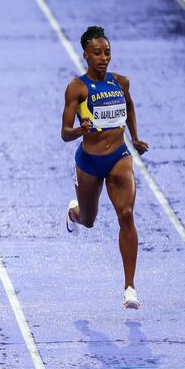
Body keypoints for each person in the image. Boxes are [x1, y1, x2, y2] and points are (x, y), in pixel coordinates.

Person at [61, 26, 148, 309]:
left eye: (107, 52)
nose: (103, 58)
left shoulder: (121, 82)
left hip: (119, 158)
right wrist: (80, 130)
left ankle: (130, 287)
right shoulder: (78, 87)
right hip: (88, 161)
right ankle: (73, 214)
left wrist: (134, 138)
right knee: (88, 219)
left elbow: (130, 107)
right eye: (97, 53)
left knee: (126, 213)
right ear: (85, 55)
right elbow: (64, 132)